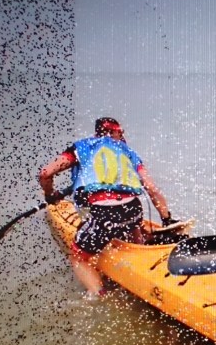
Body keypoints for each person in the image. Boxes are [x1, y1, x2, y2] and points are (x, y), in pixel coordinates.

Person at [39, 117, 180, 298]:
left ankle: (98, 294)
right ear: (115, 132)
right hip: (134, 210)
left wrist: (50, 195)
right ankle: (141, 257)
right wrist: (167, 219)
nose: (122, 136)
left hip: (105, 214)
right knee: (132, 223)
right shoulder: (128, 151)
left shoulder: (81, 147)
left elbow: (45, 173)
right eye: (120, 132)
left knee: (78, 257)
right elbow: (151, 188)